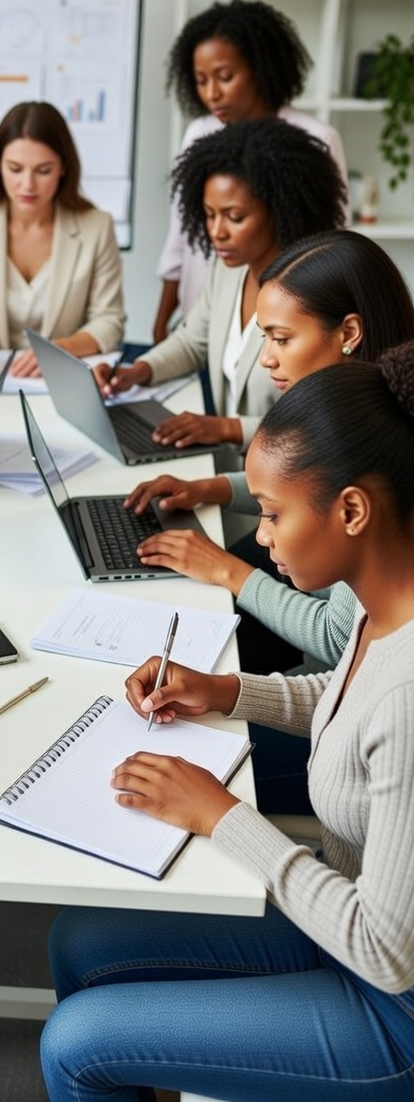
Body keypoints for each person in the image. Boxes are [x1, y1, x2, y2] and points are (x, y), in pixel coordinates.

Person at [41, 342, 414, 1101]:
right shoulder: (383, 612)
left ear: (351, 509)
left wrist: (223, 817)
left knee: (76, 1045)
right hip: (342, 927)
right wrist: (222, 690)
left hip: (393, 1008)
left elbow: (387, 951)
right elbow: (344, 704)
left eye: (273, 513)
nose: (260, 533)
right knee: (78, 941)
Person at [127, 230, 414, 671]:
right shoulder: (352, 403)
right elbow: (305, 481)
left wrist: (228, 571)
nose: (265, 359)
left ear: (349, 333)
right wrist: (211, 488)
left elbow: (339, 636)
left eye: (281, 339)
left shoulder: (375, 442)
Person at [94, 118, 347, 451]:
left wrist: (227, 428)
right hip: (234, 468)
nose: (217, 231)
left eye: (235, 217)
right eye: (210, 215)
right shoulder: (229, 268)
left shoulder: (314, 293)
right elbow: (192, 341)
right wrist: (137, 371)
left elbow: (320, 421)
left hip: (287, 483)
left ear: (280, 210)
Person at [152, 0, 350, 342]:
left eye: (225, 77)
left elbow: (334, 247)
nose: (212, 93)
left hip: (279, 331)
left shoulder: (314, 139)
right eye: (200, 80)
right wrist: (161, 324)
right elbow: (180, 238)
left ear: (260, 67)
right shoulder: (200, 134)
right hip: (200, 328)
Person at [0, 101, 125, 378]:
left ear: (64, 167)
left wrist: (57, 351)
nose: (27, 185)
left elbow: (109, 322)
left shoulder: (96, 227)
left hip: (60, 382)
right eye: (15, 169)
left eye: (43, 171)